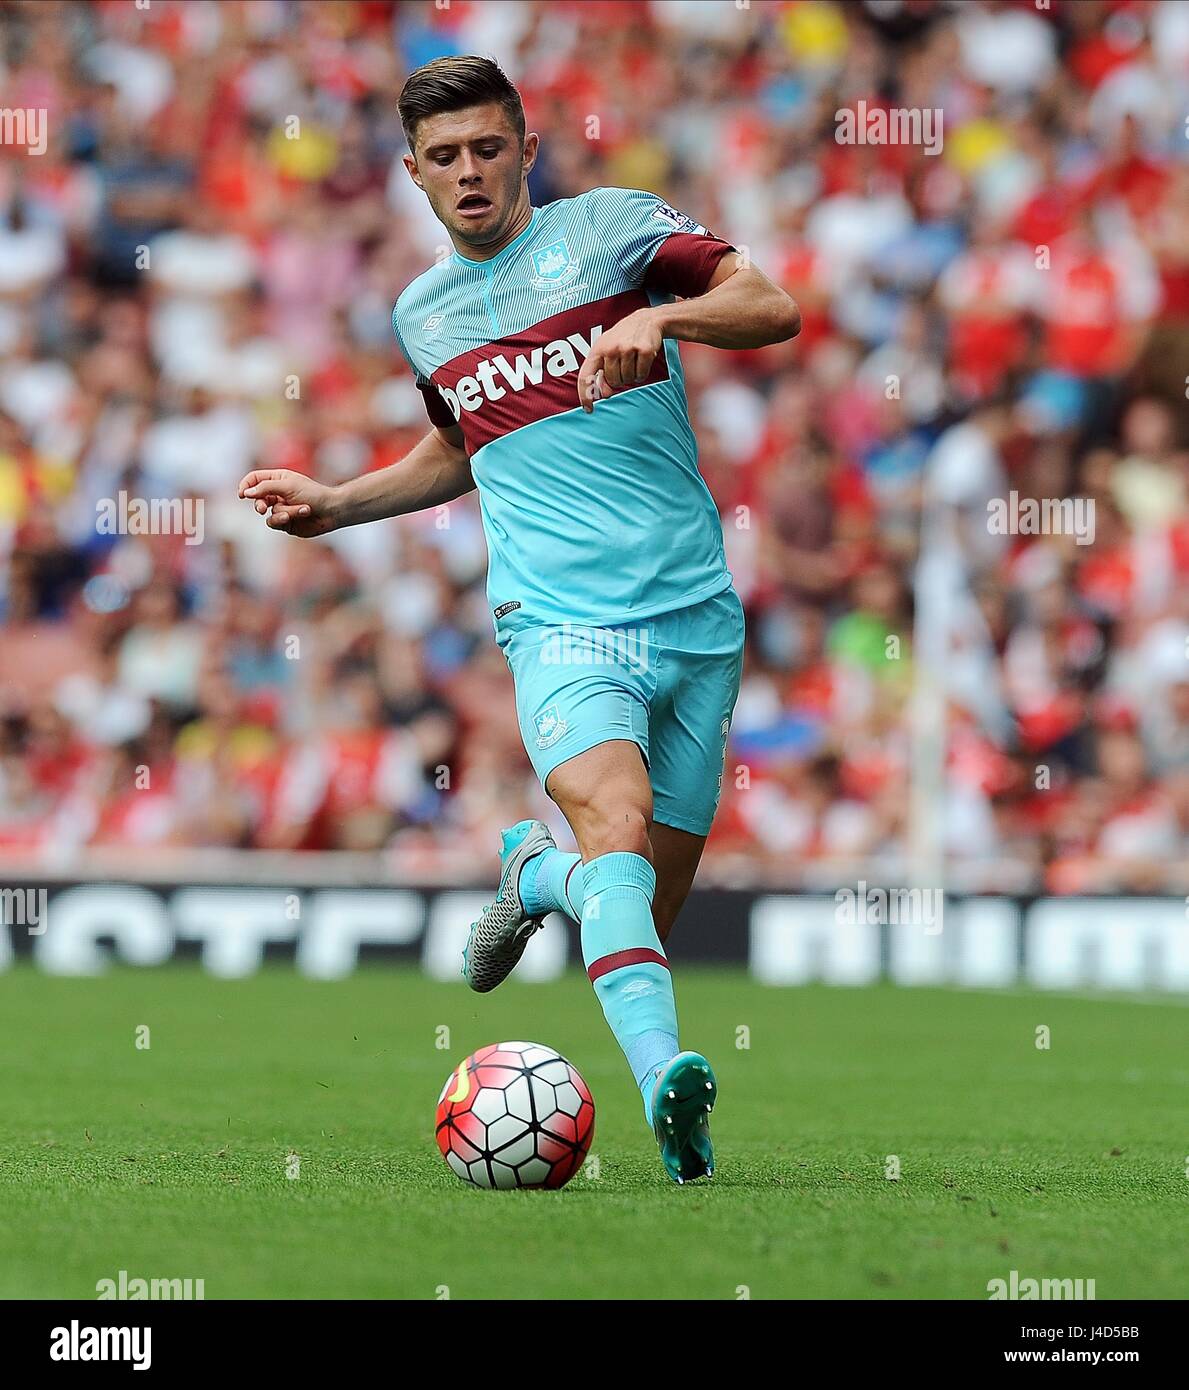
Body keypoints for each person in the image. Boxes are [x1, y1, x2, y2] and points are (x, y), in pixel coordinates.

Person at [238, 55, 800, 1184]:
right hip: (557, 620)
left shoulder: (614, 232)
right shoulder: (423, 313)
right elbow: (460, 446)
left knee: (637, 892)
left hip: (694, 615)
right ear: (411, 174)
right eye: (443, 157)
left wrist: (669, 323)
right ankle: (668, 1101)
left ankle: (528, 877)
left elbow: (771, 304)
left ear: (526, 149)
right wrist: (341, 501)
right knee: (618, 828)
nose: (468, 171)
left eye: (487, 148)